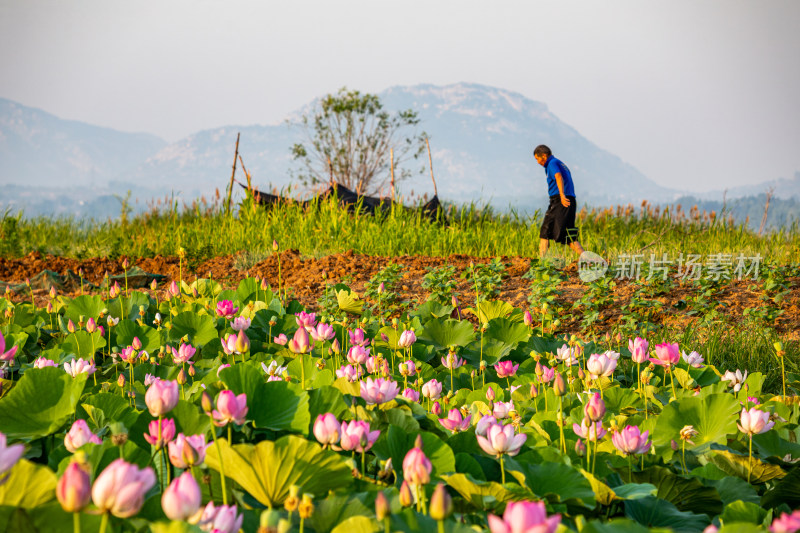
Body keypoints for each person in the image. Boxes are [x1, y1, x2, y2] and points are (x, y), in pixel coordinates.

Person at [533, 145, 585, 258]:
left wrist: (561, 195)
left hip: (560, 201)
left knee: (545, 231)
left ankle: (541, 264)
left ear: (544, 156)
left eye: (538, 159)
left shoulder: (551, 163)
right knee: (569, 235)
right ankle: (589, 259)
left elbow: (558, 176)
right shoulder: (560, 163)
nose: (537, 162)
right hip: (570, 200)